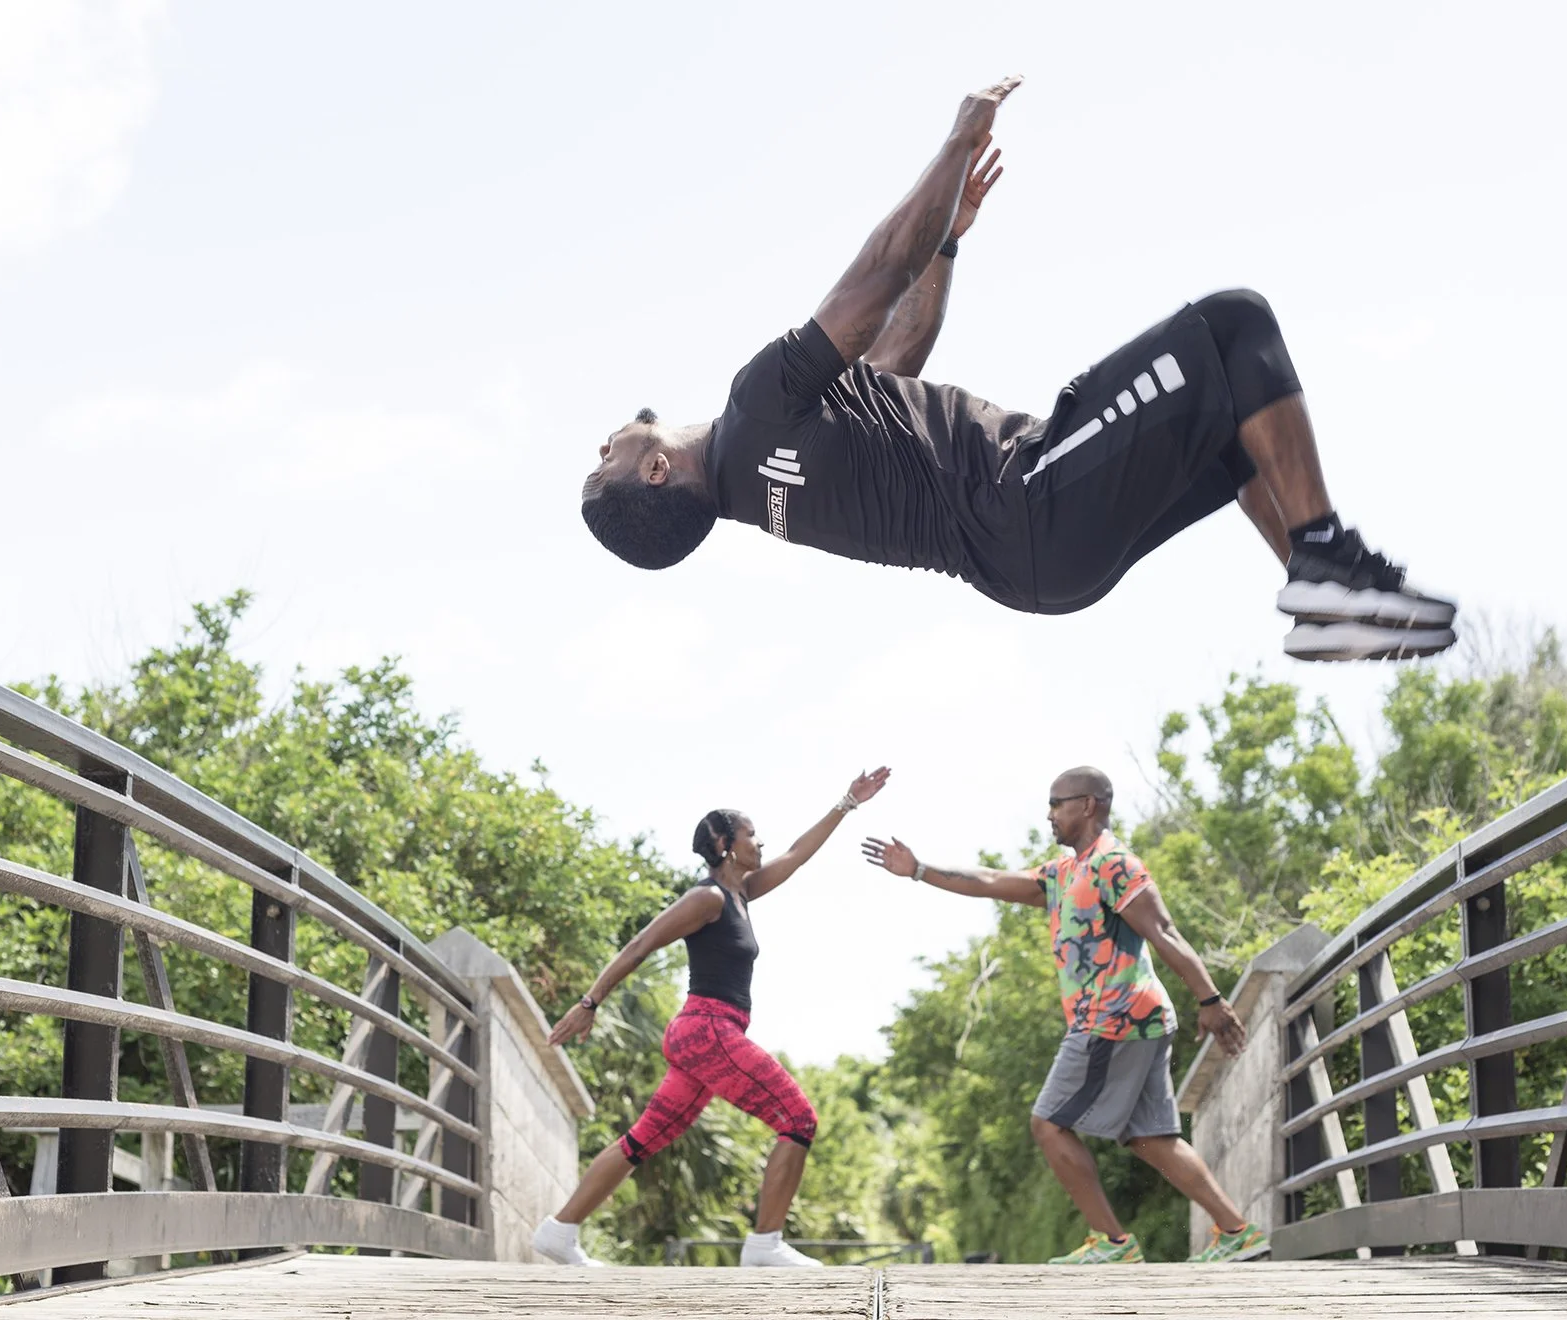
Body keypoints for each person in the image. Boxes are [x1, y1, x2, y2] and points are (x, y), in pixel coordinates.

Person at [580, 76, 1454, 663]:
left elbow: (892, 364)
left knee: (1228, 423)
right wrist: (955, 141)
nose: (602, 443)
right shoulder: (752, 410)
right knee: (1234, 327)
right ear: (657, 473)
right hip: (1028, 497)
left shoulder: (761, 485)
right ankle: (1323, 563)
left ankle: (1320, 594)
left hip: (1034, 567)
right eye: (602, 461)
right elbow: (874, 279)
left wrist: (948, 239)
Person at [861, 766, 1266, 1265]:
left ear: (1089, 805)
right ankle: (1237, 1233)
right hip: (1135, 1019)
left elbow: (1164, 931)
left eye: (1057, 804)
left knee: (1048, 1123)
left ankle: (1113, 1243)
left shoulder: (1114, 864)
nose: (1050, 814)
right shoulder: (1064, 873)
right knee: (1149, 1138)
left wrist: (1210, 999)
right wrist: (920, 869)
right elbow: (989, 881)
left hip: (1113, 1017)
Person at [532, 767, 891, 1268]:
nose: (760, 842)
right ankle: (765, 1246)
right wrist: (590, 1002)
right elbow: (640, 944)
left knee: (643, 1139)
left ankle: (558, 1231)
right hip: (707, 1030)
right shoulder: (708, 898)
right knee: (798, 1119)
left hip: (705, 1038)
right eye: (750, 835)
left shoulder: (743, 895)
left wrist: (847, 802)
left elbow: (796, 854)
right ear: (725, 843)